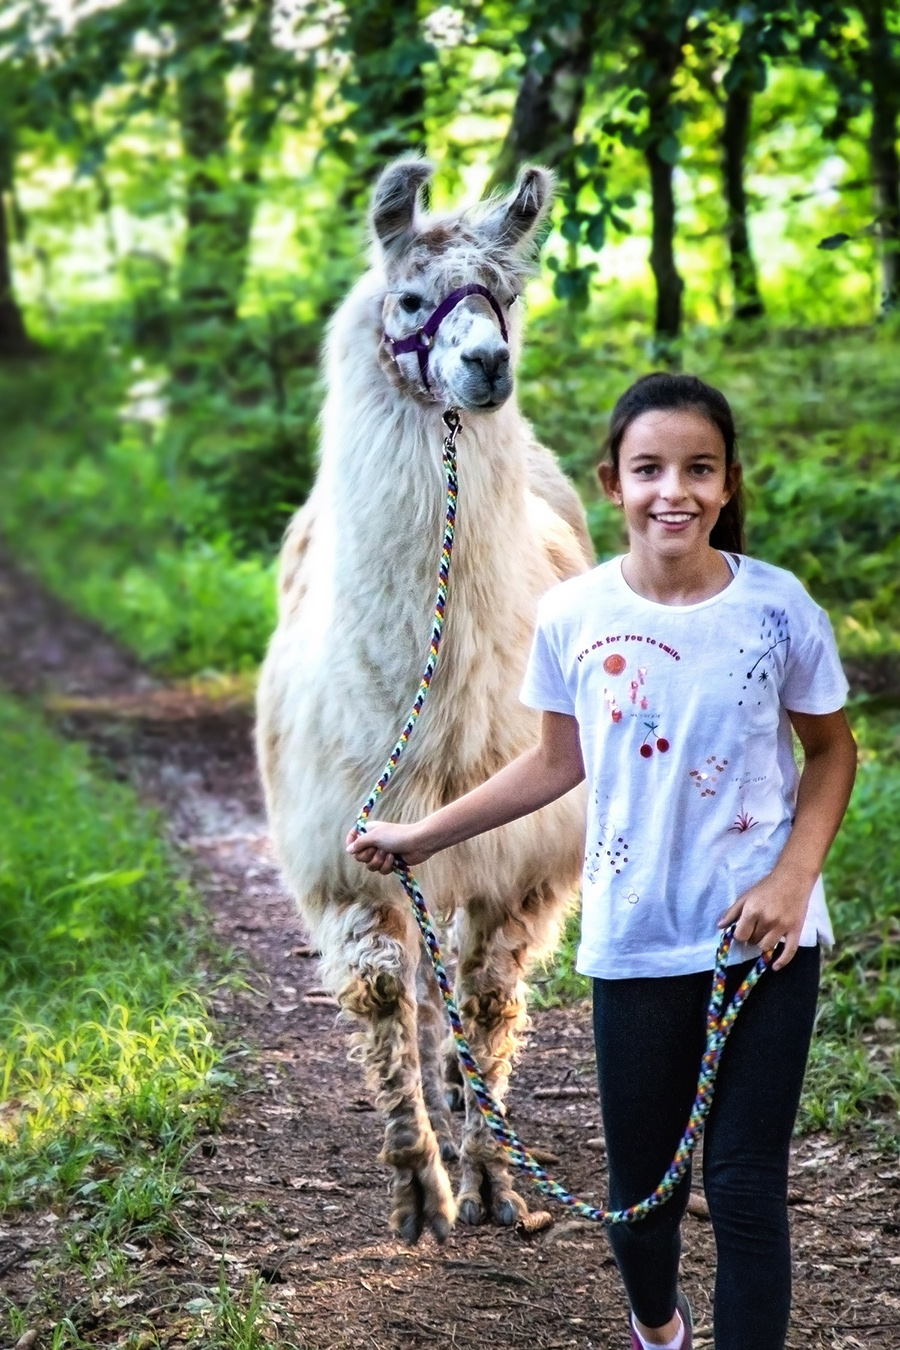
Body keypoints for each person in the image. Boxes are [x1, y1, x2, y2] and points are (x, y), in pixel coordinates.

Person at [346, 372, 857, 1350]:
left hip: (767, 940)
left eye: (699, 469)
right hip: (636, 942)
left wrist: (792, 881)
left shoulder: (777, 608)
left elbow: (834, 752)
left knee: (747, 1188)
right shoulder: (573, 615)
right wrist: (420, 836)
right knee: (641, 1204)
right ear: (612, 484)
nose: (676, 490)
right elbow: (552, 764)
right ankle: (659, 1330)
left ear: (727, 481)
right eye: (650, 468)